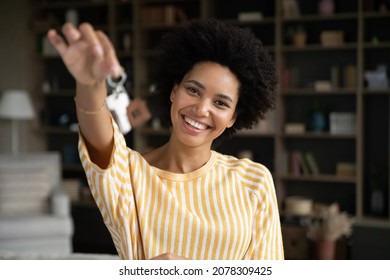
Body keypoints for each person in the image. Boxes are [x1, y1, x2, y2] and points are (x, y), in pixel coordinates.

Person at [47, 18, 284, 260]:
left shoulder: (253, 181)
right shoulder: (129, 175)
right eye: (193, 90)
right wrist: (89, 83)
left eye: (220, 103)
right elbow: (98, 137)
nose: (202, 109)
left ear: (233, 117)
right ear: (174, 91)